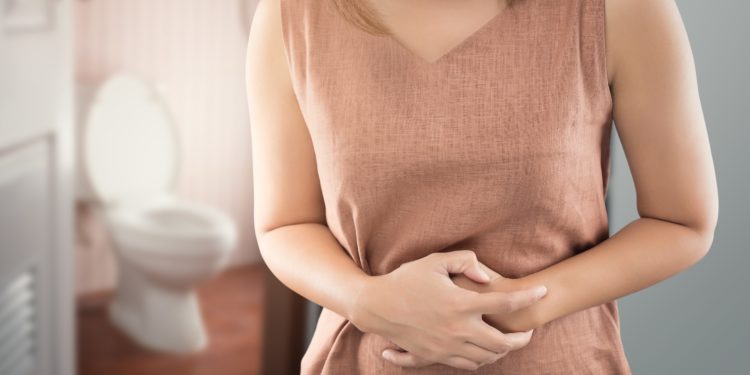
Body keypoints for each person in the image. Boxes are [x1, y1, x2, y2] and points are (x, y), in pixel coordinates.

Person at [245, 0, 718, 373]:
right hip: (363, 362)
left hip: (559, 362)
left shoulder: (622, 9)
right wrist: (365, 301)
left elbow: (682, 222)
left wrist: (521, 307)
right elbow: (285, 224)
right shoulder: (290, 15)